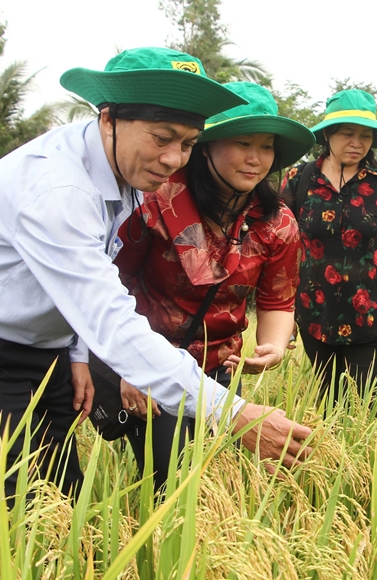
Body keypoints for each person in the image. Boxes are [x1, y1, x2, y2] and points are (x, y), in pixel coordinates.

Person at [0, 48, 313, 500]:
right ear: (108, 118)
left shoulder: (131, 173)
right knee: (11, 502)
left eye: (186, 143)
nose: (172, 159)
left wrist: (73, 354)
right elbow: (110, 315)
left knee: (60, 495)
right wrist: (238, 414)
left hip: (48, 343)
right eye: (161, 137)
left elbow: (98, 272)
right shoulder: (57, 190)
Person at [94, 82, 315, 490]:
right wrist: (129, 366)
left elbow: (278, 300)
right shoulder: (155, 202)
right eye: (242, 142)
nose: (255, 159)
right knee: (170, 486)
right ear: (206, 146)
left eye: (266, 147)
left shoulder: (277, 223)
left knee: (221, 484)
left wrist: (274, 347)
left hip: (221, 370)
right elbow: (113, 286)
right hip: (152, 366)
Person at [280, 89, 377, 401]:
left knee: (363, 403)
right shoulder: (300, 178)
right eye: (347, 133)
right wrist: (285, 310)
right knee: (328, 399)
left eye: (365, 135)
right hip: (315, 312)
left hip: (372, 314)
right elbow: (280, 244)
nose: (357, 143)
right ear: (328, 134)